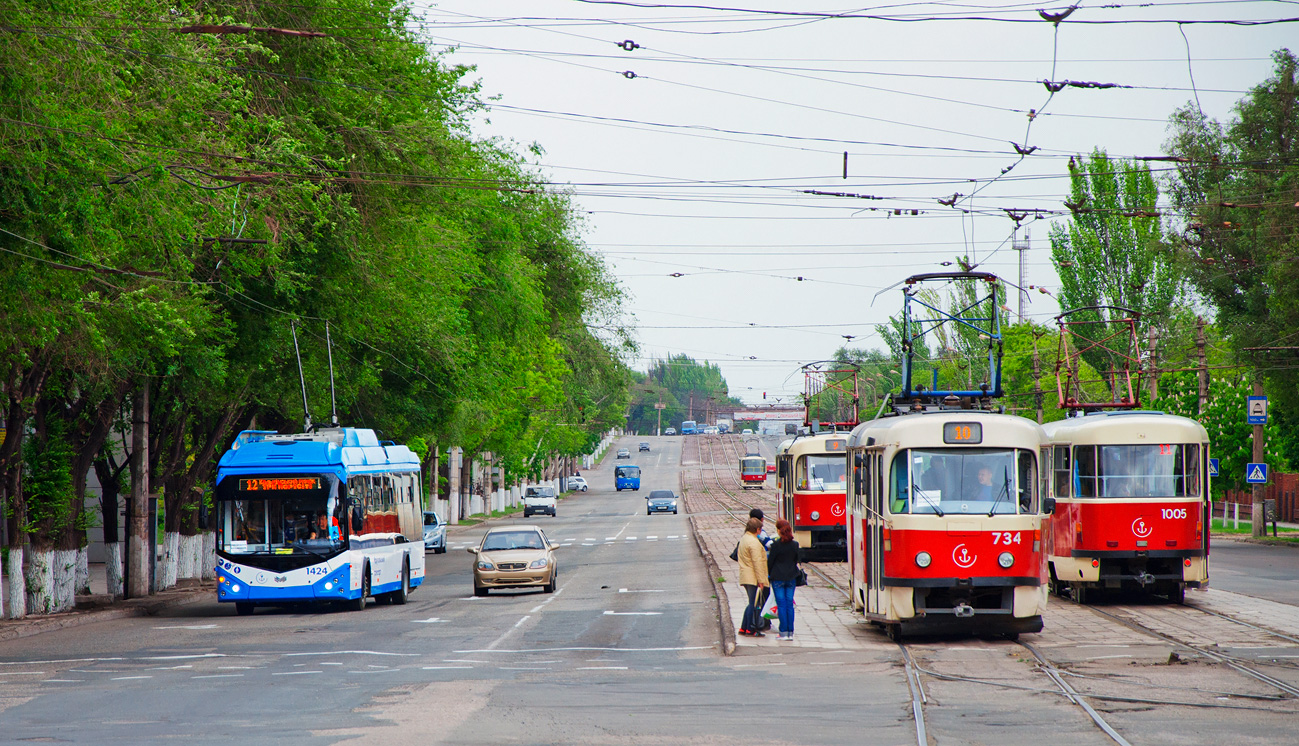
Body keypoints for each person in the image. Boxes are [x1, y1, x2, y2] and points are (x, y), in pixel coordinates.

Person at [767, 518, 800, 641]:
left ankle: (783, 632)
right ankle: (790, 632)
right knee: (789, 605)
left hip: (778, 578)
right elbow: (797, 560)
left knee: (781, 605)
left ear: (778, 531)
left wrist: (769, 574)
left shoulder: (775, 546)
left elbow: (770, 562)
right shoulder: (795, 545)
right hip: (791, 577)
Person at [736, 517, 769, 637]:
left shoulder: (745, 538)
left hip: (745, 575)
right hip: (752, 577)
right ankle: (750, 628)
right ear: (757, 529)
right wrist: (761, 580)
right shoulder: (754, 542)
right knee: (753, 604)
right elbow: (757, 562)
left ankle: (744, 627)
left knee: (751, 602)